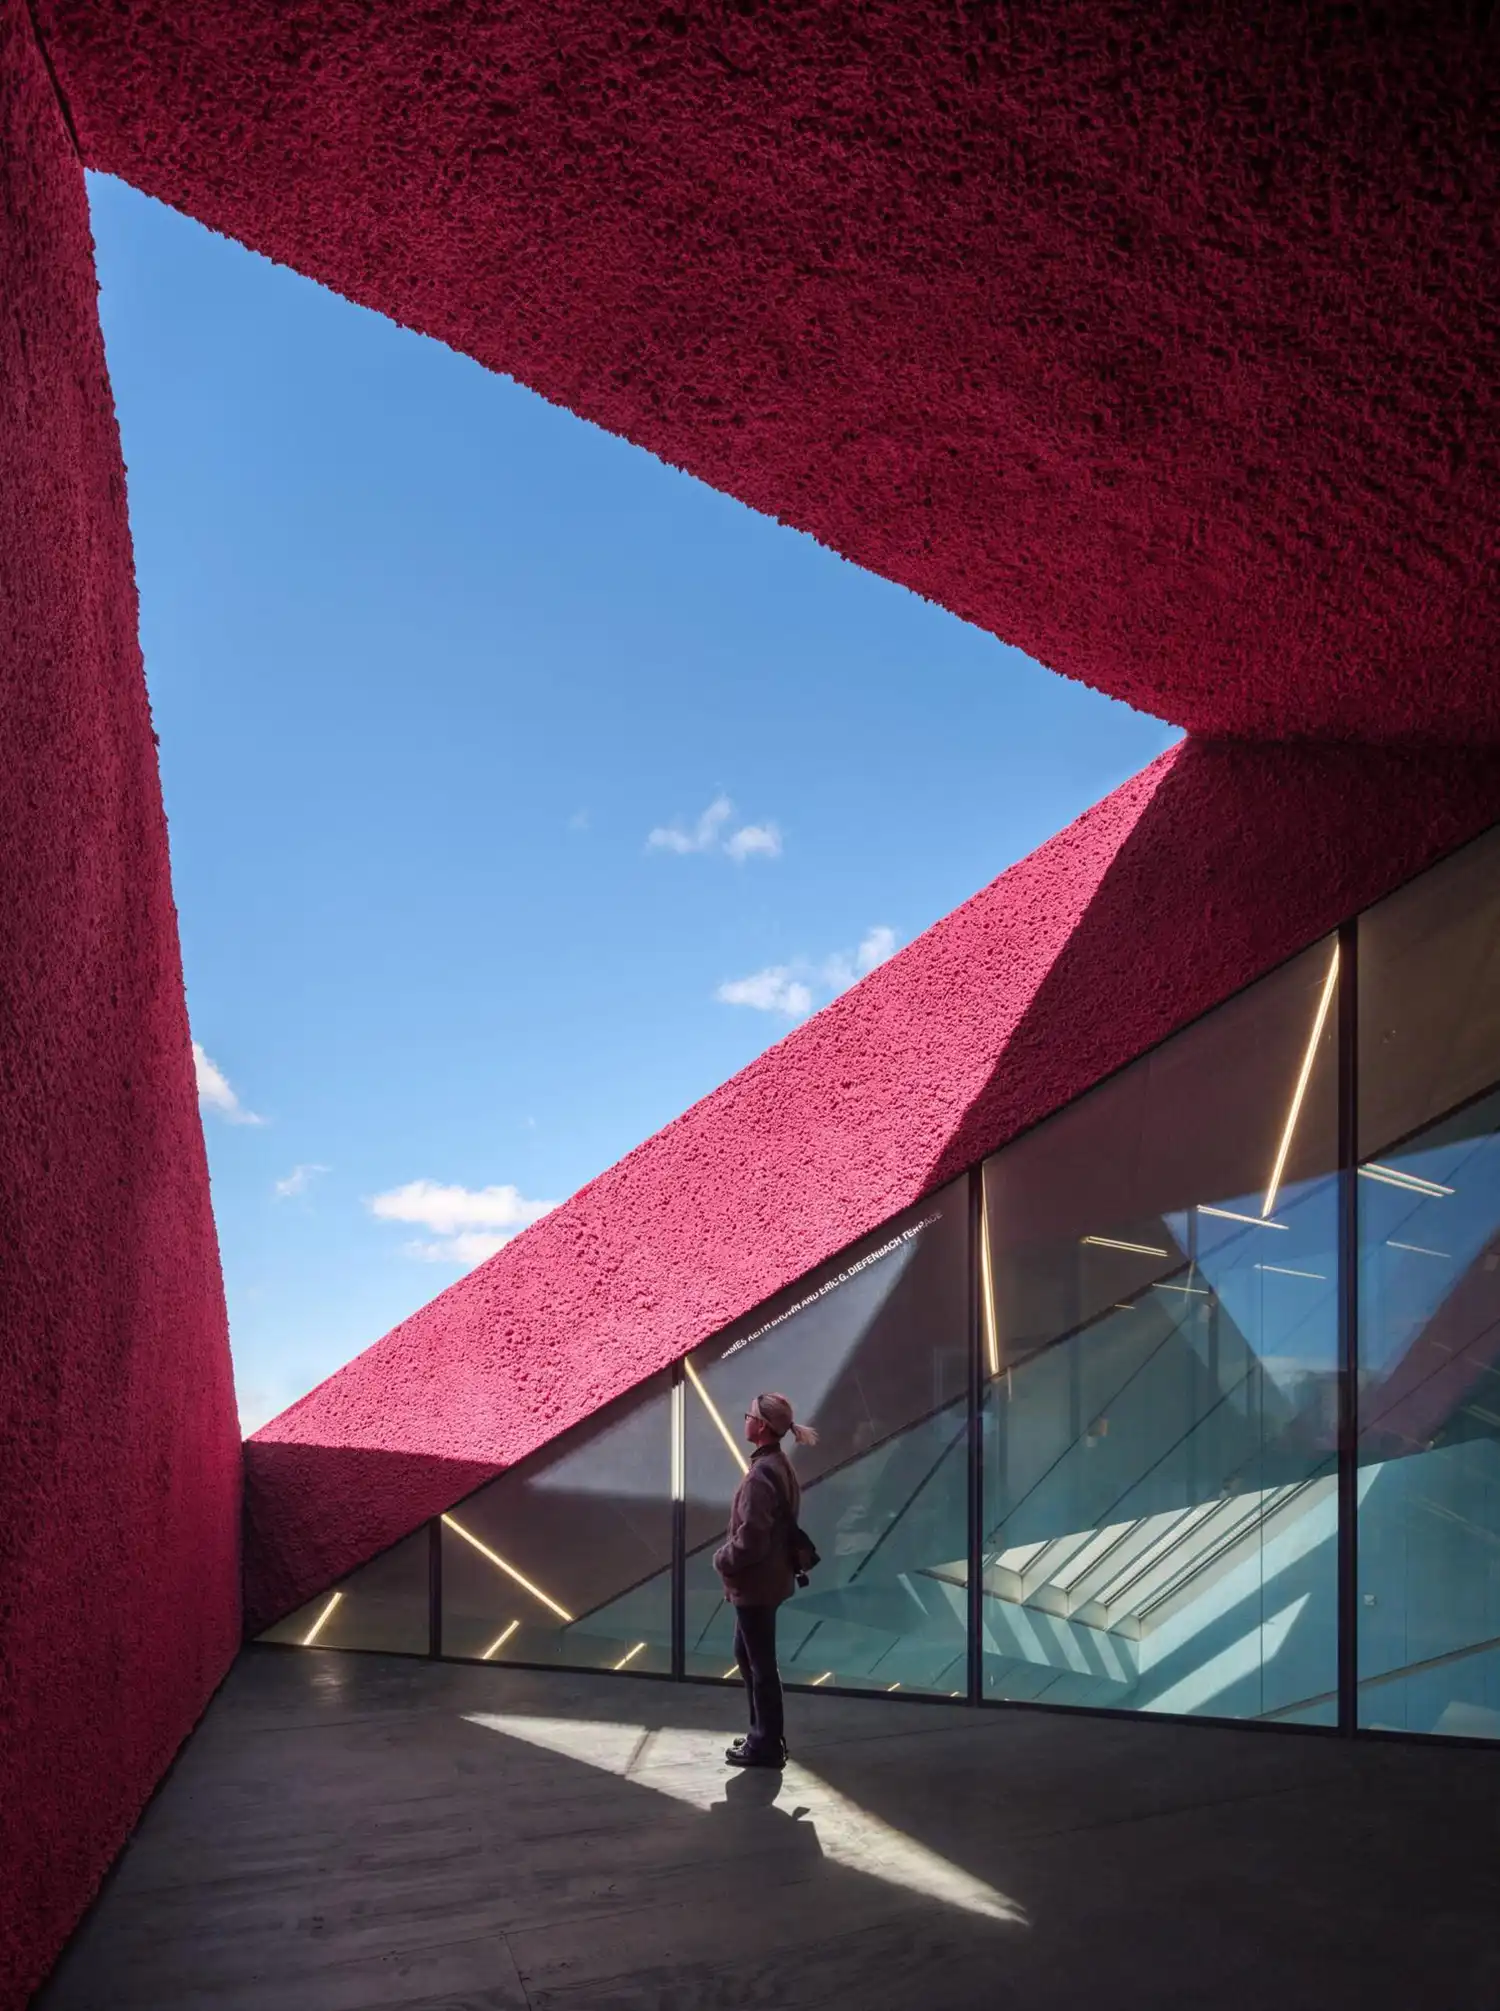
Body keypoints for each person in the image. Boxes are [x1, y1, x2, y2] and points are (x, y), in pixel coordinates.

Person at [713, 1391, 818, 1770]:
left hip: (756, 1583)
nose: (744, 1419)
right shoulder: (779, 1465)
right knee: (750, 1657)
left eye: (748, 1415)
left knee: (759, 1664)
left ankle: (766, 1744)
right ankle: (763, 1733)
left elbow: (752, 1539)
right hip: (770, 1580)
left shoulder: (761, 1475)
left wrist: (722, 1560)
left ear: (761, 1426)